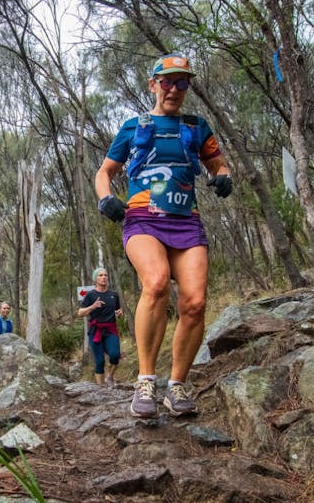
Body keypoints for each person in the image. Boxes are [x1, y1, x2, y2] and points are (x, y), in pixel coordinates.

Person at [93, 52, 232, 417]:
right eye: (167, 82)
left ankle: (177, 386)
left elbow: (217, 162)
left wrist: (222, 176)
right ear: (153, 85)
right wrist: (105, 199)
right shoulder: (133, 126)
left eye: (182, 82)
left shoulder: (197, 126)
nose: (174, 89)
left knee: (195, 302)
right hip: (142, 219)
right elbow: (104, 172)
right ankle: (145, 381)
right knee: (155, 283)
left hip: (186, 221)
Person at [78, 267, 123, 385]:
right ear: (95, 279)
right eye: (100, 275)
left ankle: (110, 376)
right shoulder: (90, 295)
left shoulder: (114, 295)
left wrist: (119, 313)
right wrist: (93, 306)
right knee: (100, 361)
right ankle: (100, 388)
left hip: (110, 329)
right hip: (95, 331)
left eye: (105, 275)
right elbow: (80, 313)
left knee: (115, 355)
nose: (103, 277)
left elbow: (118, 311)